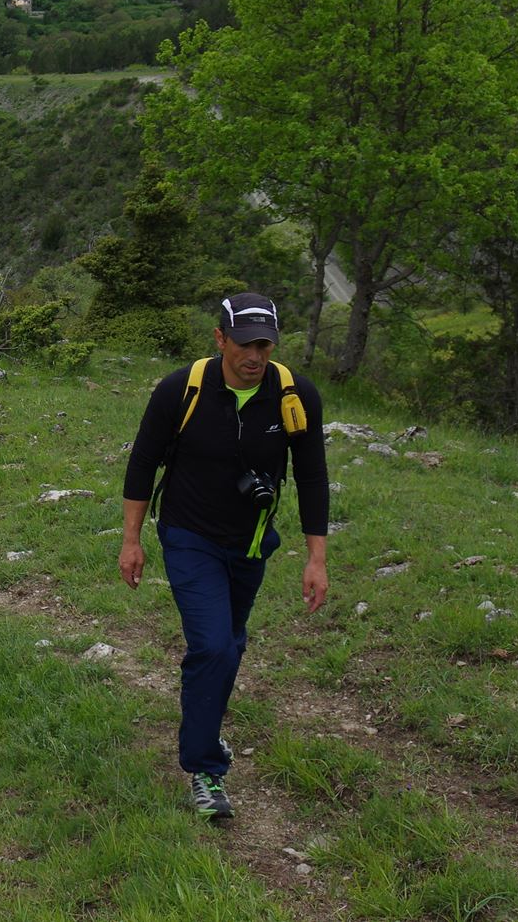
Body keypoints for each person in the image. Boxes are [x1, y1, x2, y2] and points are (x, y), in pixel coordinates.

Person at [118, 292, 330, 819]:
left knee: (230, 645)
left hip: (252, 541)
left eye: (264, 344)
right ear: (220, 339)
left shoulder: (293, 395)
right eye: (243, 343)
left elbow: (313, 477)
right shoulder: (181, 389)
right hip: (189, 535)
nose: (254, 355)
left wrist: (316, 558)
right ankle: (205, 769)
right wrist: (131, 538)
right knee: (213, 645)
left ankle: (206, 732)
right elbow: (143, 463)